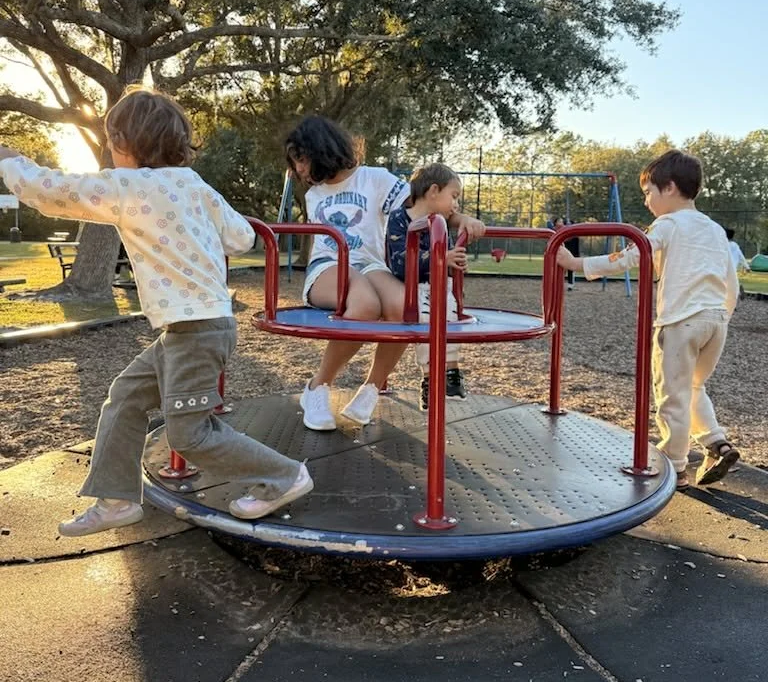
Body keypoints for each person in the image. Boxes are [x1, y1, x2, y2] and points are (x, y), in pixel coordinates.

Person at [0, 87, 310, 533]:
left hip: (196, 329)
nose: (109, 150)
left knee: (190, 434)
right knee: (125, 398)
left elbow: (52, 192)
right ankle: (117, 500)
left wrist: (12, 161)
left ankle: (285, 475)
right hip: (195, 327)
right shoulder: (196, 185)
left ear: (126, 143)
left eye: (111, 142)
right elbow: (242, 237)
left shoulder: (128, 186)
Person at [556, 149, 739, 490]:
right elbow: (732, 281)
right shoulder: (714, 230)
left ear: (668, 188)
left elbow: (631, 254)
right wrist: (722, 314)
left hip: (681, 321)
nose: (647, 201)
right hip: (715, 321)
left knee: (672, 393)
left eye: (648, 193)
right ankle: (717, 443)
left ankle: (675, 466)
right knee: (693, 386)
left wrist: (577, 264)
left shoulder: (668, 224)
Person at [286, 115, 484, 431]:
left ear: (319, 149)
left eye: (301, 159)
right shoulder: (314, 194)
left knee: (404, 306)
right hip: (328, 266)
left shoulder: (374, 179)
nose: (298, 170)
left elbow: (421, 205)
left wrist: (461, 219)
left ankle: (371, 389)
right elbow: (328, 248)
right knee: (364, 303)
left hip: (370, 263)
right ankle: (318, 387)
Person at [386, 163, 468, 411]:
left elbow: (447, 255)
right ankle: (430, 377)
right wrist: (441, 258)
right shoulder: (401, 218)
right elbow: (399, 260)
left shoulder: (440, 223)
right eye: (453, 197)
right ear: (433, 190)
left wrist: (454, 261)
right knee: (426, 320)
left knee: (450, 318)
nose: (456, 205)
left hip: (440, 286)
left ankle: (451, 371)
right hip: (412, 288)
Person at [553, 216, 579, 289]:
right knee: (560, 268)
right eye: (559, 221)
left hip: (570, 251)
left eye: (562, 221)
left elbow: (572, 238)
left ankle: (570, 284)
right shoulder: (554, 231)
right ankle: (558, 283)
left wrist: (569, 227)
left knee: (570, 267)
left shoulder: (568, 230)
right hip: (561, 252)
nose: (561, 223)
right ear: (555, 223)